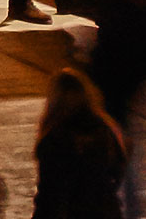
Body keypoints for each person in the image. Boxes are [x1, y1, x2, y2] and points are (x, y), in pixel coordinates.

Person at [27, 66, 122, 219]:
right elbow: (117, 170)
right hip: (105, 211)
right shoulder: (103, 127)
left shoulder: (55, 137)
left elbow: (50, 193)